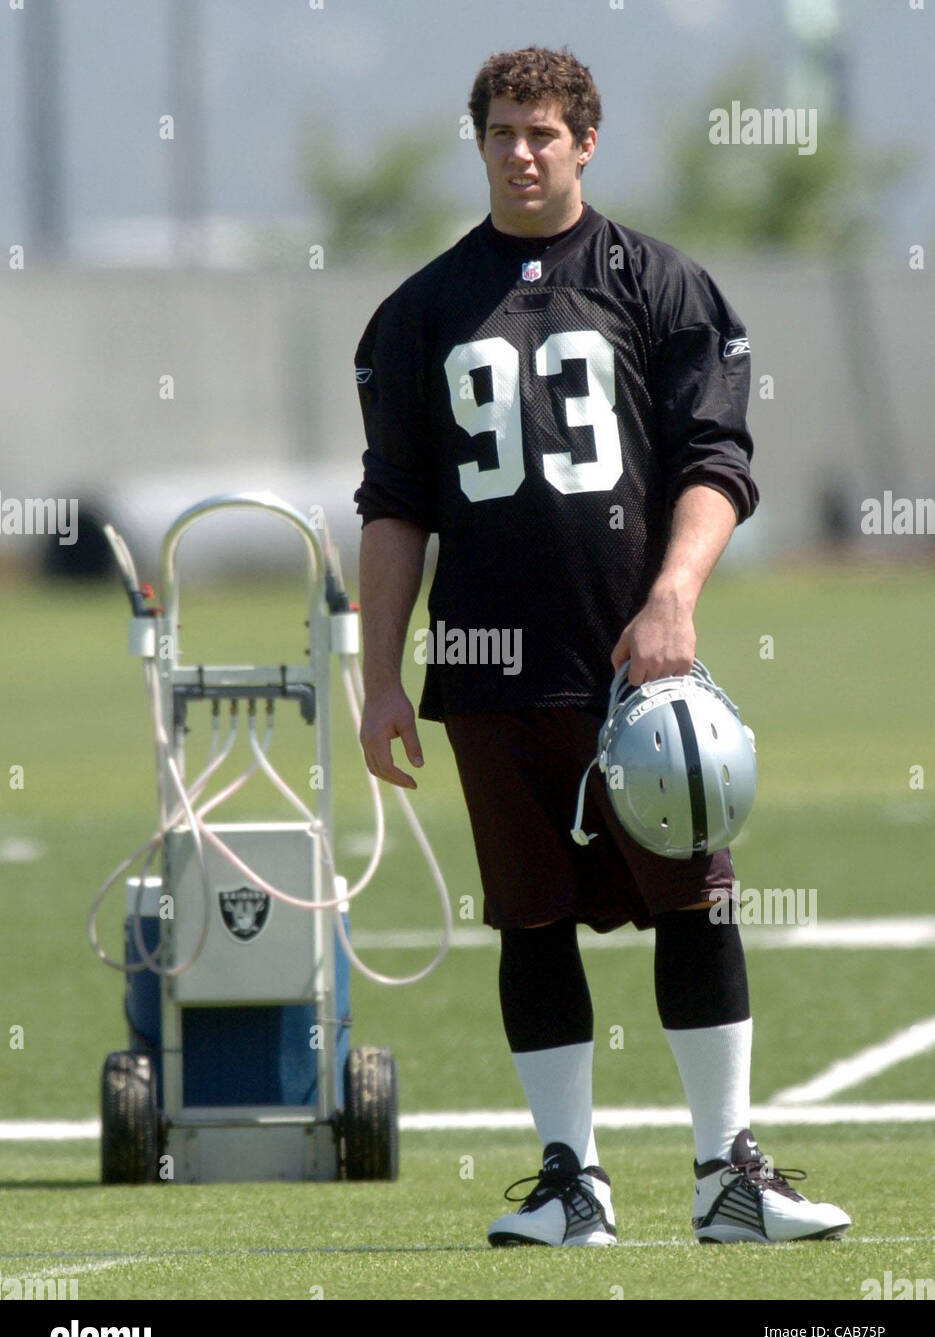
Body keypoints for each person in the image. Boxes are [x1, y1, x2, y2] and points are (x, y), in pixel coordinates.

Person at [352, 46, 850, 1247]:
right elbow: (393, 508)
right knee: (529, 920)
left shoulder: (659, 283)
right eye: (501, 131)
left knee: (695, 902)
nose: (521, 151)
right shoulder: (415, 313)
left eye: (543, 132)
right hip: (486, 670)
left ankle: (724, 1176)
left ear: (585, 142)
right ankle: (570, 1183)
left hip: (639, 668)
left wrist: (673, 595)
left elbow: (715, 467)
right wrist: (375, 678)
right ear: (475, 142)